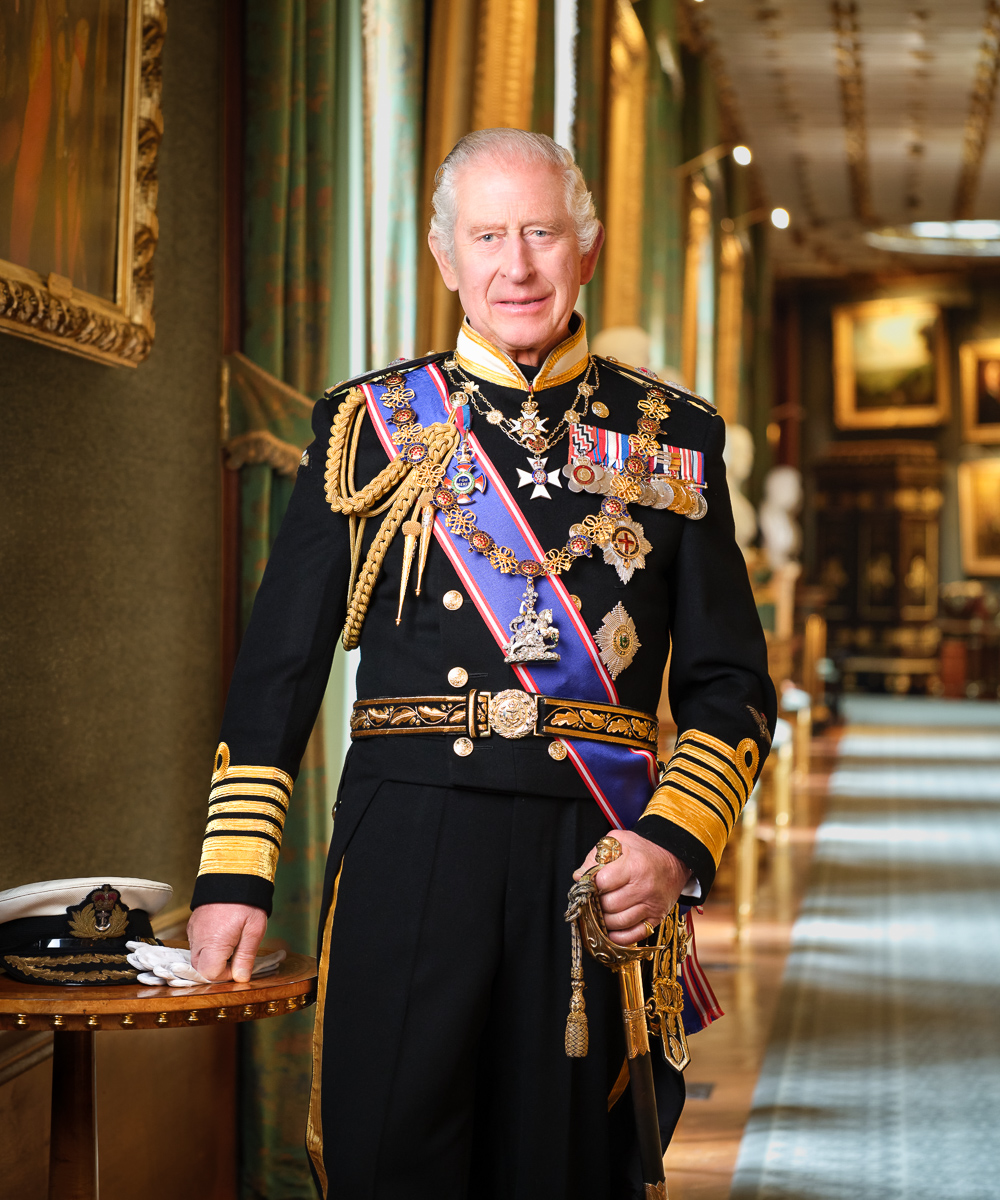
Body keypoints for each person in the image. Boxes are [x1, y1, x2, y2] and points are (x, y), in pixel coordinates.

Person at [187, 128, 775, 1199]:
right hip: (412, 838)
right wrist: (234, 876)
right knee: (389, 1151)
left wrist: (670, 843)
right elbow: (278, 669)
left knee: (565, 1165)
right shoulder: (369, 425)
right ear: (444, 257)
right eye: (489, 236)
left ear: (585, 250)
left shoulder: (674, 438)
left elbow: (730, 684)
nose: (517, 265)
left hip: (589, 857)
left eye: (542, 233)